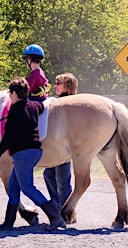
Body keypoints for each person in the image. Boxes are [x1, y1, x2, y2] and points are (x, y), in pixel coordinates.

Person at [0, 77, 65, 231]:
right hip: (35, 151)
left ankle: (55, 217)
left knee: (27, 188)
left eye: (10, 93)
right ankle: (8, 222)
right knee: (13, 187)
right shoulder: (33, 106)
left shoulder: (14, 111)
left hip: (23, 153)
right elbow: (42, 106)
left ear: (13, 94)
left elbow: (9, 137)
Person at [43, 73, 78, 215]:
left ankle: (67, 211)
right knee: (49, 175)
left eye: (59, 83)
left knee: (62, 180)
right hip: (56, 146)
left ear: (67, 86)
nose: (56, 86)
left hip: (63, 146)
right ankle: (59, 207)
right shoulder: (58, 101)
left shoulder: (69, 103)